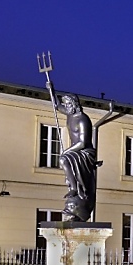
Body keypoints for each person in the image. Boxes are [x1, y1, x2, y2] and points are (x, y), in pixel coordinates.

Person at [47, 84, 100, 221]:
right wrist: (50, 90)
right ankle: (73, 187)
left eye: (68, 104)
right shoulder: (69, 113)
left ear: (74, 104)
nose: (66, 106)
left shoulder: (83, 119)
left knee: (63, 159)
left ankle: (75, 188)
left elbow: (83, 143)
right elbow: (56, 106)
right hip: (75, 151)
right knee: (65, 159)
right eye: (66, 104)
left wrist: (66, 151)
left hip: (84, 153)